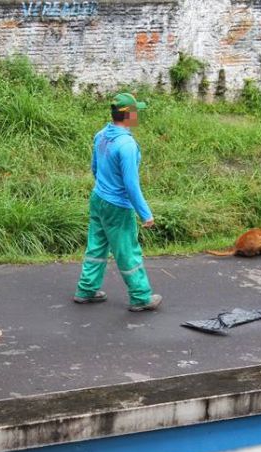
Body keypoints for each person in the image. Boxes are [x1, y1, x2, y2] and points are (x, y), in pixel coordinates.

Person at [73, 92, 162, 312]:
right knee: (127, 250)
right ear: (128, 115)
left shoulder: (101, 135)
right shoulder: (127, 145)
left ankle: (86, 289)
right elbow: (131, 184)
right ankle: (141, 297)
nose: (138, 115)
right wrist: (145, 213)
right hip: (117, 206)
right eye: (136, 112)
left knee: (97, 245)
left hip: (98, 198)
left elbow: (95, 168)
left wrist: (104, 187)